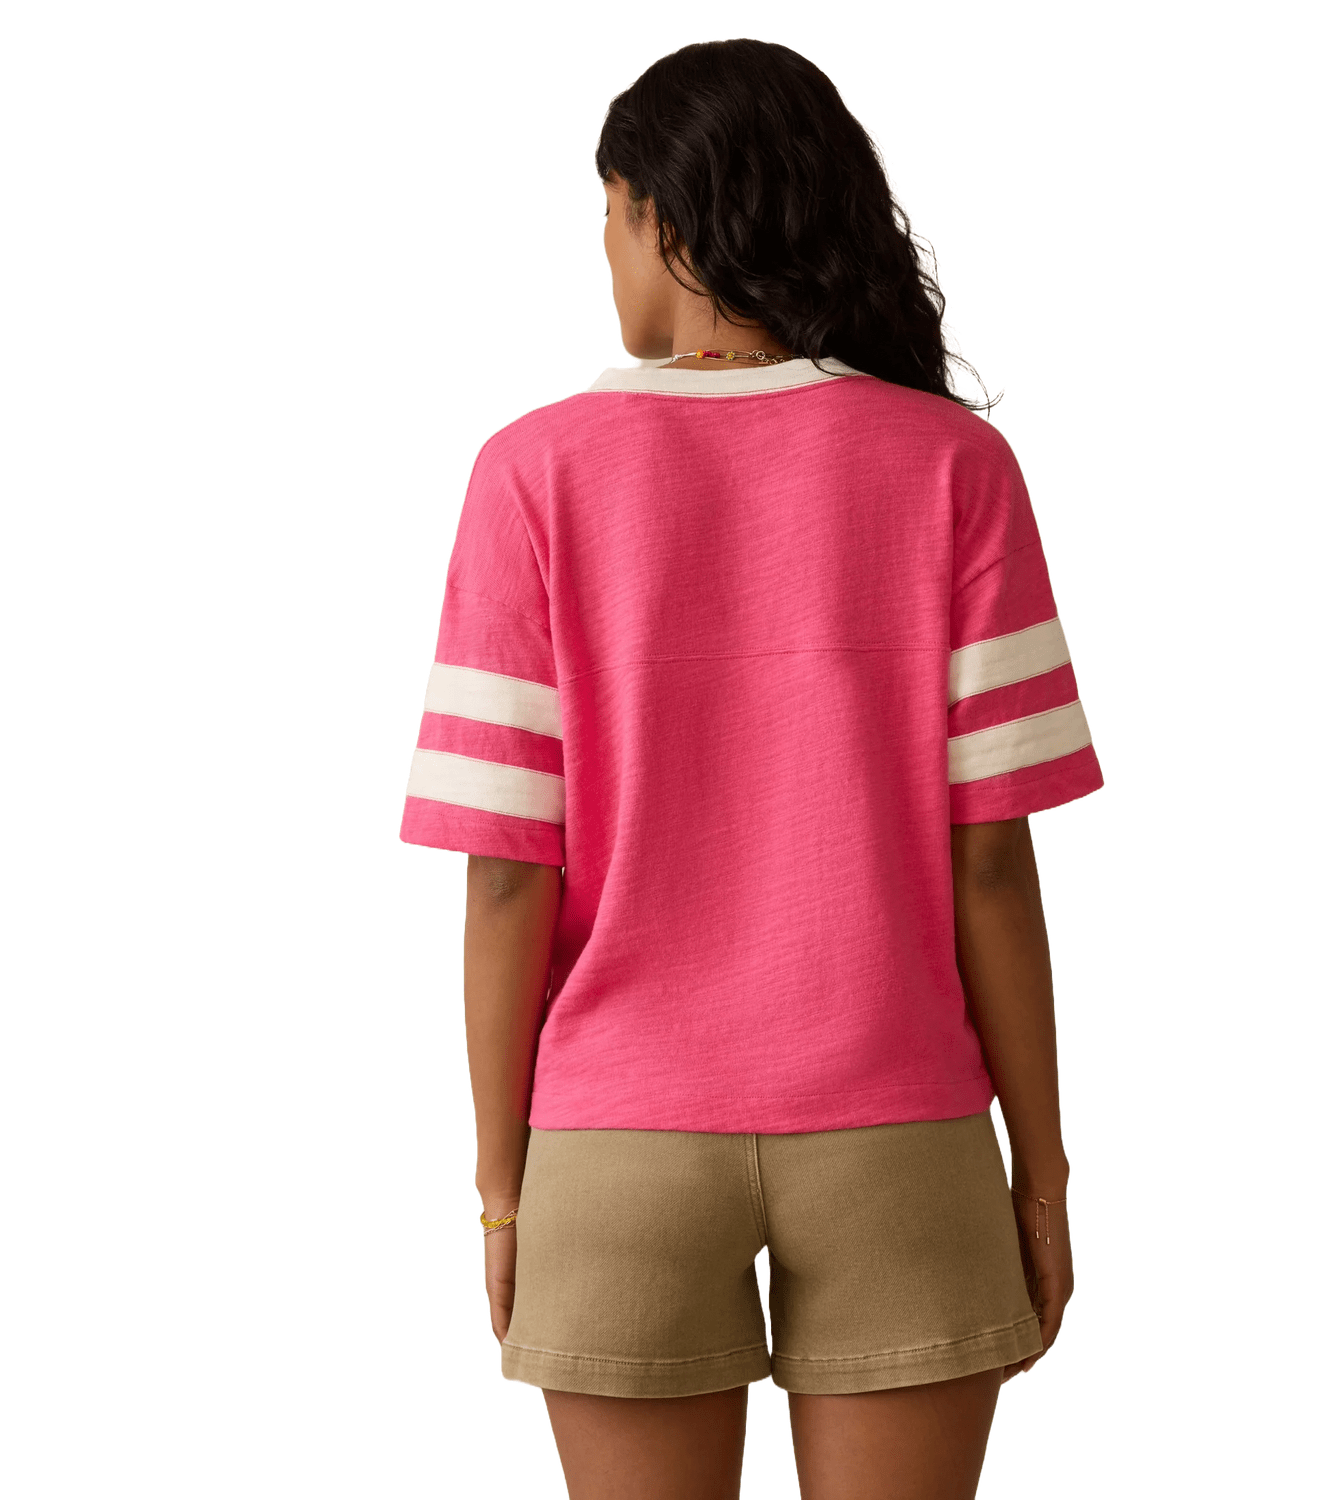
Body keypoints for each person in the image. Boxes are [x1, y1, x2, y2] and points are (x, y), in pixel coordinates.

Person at [400, 38, 1103, 1500]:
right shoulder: (952, 466)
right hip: (902, 1131)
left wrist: (502, 1191)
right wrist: (1039, 1171)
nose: (605, 256)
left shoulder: (530, 473)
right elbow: (991, 862)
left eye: (606, 218)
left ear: (660, 214)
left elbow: (507, 877)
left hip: (615, 1142)